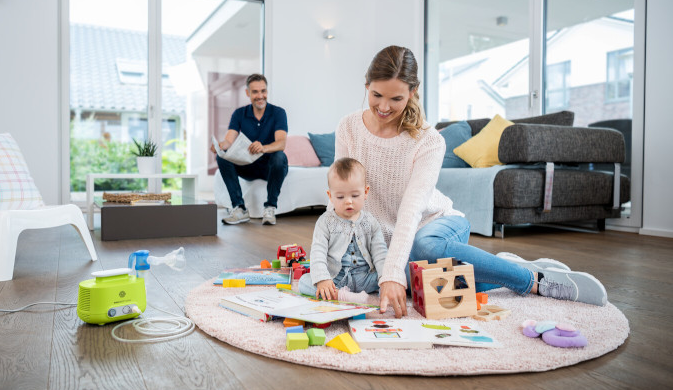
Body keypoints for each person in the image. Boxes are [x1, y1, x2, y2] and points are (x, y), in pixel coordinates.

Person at [335, 45, 608, 318]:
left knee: (422, 251)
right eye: (376, 95)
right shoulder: (348, 127)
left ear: (412, 92)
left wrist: (393, 273)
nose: (384, 107)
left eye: (395, 98)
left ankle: (534, 280)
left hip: (435, 224)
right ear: (366, 86)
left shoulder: (428, 140)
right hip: (388, 240)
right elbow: (339, 193)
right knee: (409, 279)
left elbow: (413, 208)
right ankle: (494, 266)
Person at [299, 157, 387, 302]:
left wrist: (385, 279)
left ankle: (354, 294)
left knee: (396, 274)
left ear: (365, 192)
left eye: (355, 195)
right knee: (304, 282)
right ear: (330, 196)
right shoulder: (325, 222)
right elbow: (317, 252)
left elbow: (380, 253)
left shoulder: (370, 222)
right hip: (335, 280)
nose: (348, 201)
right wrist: (322, 279)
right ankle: (343, 296)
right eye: (340, 196)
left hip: (365, 278)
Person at [212, 74, 289, 225]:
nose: (260, 96)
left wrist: (264, 147)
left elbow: (281, 143)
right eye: (255, 92)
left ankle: (270, 208)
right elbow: (229, 140)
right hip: (248, 165)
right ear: (248, 93)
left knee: (279, 156)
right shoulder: (239, 114)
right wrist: (220, 146)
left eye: (263, 91)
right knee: (222, 157)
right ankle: (239, 209)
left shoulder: (278, 113)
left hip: (271, 167)